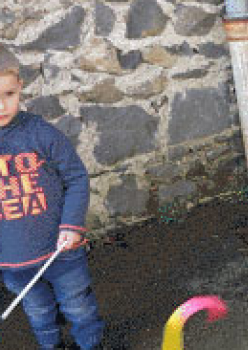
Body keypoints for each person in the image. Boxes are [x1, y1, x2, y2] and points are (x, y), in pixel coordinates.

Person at [0, 44, 104, 349]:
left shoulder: (40, 133)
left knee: (78, 307)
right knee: (39, 312)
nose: (1, 105)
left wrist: (71, 225)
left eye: (9, 94)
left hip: (62, 252)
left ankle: (91, 344)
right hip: (13, 261)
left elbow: (76, 177)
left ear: (20, 86)